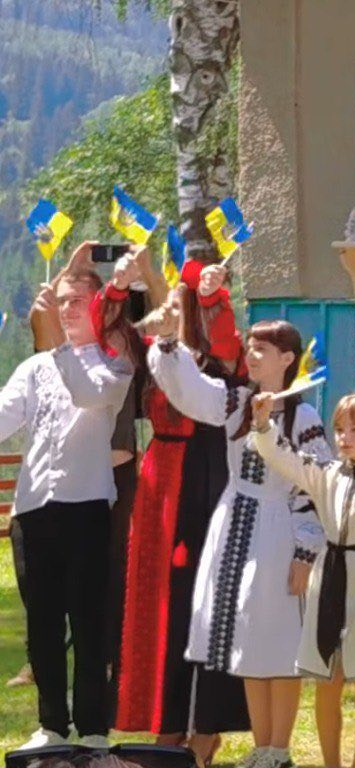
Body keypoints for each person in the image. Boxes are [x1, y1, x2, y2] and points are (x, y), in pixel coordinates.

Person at [148, 318, 331, 768]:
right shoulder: (237, 402)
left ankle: (279, 748)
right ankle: (261, 746)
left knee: (279, 641)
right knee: (247, 639)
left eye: (261, 349)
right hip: (235, 525)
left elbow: (316, 484)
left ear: (287, 359)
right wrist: (169, 342)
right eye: (249, 347)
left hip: (278, 530)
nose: (251, 355)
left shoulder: (302, 417)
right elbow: (191, 391)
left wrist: (306, 549)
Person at [103, 254, 249, 764]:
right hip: (158, 480)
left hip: (203, 479)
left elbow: (222, 346)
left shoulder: (224, 361)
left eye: (184, 304)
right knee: (156, 599)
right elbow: (108, 334)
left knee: (198, 599)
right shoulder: (156, 351)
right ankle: (164, 720)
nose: (176, 310)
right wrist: (123, 284)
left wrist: (209, 294)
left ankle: (205, 724)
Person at [0, 266, 134, 749]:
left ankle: (93, 728)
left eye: (77, 300)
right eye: (61, 301)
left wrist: (56, 345)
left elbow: (87, 392)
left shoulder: (114, 363)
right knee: (42, 624)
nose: (67, 309)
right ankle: (52, 725)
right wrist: (50, 349)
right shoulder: (33, 368)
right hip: (33, 509)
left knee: (89, 620)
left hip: (87, 507)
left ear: (99, 305)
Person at [252, 391, 355, 768]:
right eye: (340, 429)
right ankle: (332, 764)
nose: (345, 437)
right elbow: (284, 457)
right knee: (328, 680)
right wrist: (262, 424)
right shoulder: (326, 474)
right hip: (328, 584)